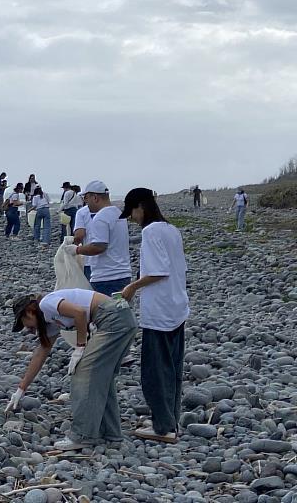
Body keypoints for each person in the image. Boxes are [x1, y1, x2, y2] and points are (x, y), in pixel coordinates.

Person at [5, 289, 137, 449]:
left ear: (29, 312)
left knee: (83, 373)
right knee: (102, 377)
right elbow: (41, 352)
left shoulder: (46, 304)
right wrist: (21, 389)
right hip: (120, 317)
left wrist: (80, 347)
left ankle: (83, 435)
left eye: (23, 322)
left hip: (112, 318)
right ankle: (110, 433)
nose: (27, 328)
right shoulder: (50, 319)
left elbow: (80, 313)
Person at [119, 188, 189, 444]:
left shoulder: (150, 232)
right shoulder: (171, 229)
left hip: (159, 311)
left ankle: (163, 427)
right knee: (173, 368)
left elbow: (158, 271)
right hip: (177, 306)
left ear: (141, 207)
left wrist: (132, 287)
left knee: (155, 371)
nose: (133, 218)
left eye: (133, 213)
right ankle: (171, 421)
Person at [68, 181, 131, 296]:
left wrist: (76, 250)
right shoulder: (118, 214)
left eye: (86, 198)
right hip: (123, 274)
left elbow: (99, 247)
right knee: (120, 311)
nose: (85, 202)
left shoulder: (100, 217)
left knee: (105, 312)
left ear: (95, 197)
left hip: (106, 277)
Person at [73, 204, 95, 280]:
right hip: (119, 266)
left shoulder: (82, 212)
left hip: (91, 260)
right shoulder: (116, 212)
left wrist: (75, 247)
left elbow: (79, 235)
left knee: (92, 289)